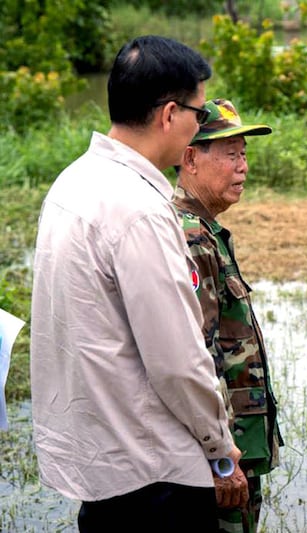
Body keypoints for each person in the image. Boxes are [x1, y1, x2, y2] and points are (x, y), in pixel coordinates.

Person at [30, 35, 240, 533]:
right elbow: (177, 360)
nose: (198, 125)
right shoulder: (140, 209)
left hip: (101, 467)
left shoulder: (71, 183)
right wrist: (218, 442)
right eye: (197, 111)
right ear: (170, 114)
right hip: (155, 476)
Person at [173, 98, 283, 533]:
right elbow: (192, 356)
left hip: (237, 445)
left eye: (244, 155)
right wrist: (218, 456)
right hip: (221, 454)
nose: (243, 167)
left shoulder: (209, 231)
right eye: (230, 154)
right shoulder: (191, 237)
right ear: (191, 159)